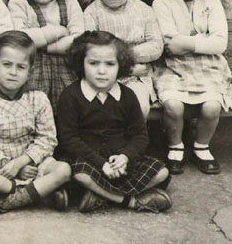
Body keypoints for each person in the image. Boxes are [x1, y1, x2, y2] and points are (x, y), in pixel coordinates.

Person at [57, 31, 172, 213]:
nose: (102, 71)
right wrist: (101, 163)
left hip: (120, 161)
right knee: (79, 174)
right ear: (81, 63)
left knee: (162, 172)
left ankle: (99, 195)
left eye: (110, 64)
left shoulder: (127, 96)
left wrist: (125, 157)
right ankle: (130, 201)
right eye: (93, 63)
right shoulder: (71, 96)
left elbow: (140, 135)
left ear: (121, 66)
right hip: (89, 160)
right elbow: (69, 140)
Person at [0, 31, 71, 214]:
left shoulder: (38, 98)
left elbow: (47, 139)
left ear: (30, 70)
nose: (13, 73)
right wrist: (9, 165)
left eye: (21, 67)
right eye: (6, 65)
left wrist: (22, 162)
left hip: (30, 161)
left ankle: (6, 201)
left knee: (64, 170)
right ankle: (36, 194)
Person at [152, 0, 232, 176]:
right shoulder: (162, 3)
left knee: (211, 107)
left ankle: (201, 146)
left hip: (210, 66)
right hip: (172, 66)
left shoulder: (212, 3)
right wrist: (201, 40)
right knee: (173, 105)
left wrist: (187, 43)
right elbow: (169, 43)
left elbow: (219, 44)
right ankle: (175, 145)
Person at [83, 0, 163, 119]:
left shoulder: (143, 10)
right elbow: (90, 49)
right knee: (101, 108)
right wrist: (124, 65)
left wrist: (125, 57)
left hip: (136, 77)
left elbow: (156, 45)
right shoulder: (91, 14)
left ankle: (134, 143)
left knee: (138, 106)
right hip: (102, 75)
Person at [8, 0, 83, 113]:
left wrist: (42, 44)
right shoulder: (19, 5)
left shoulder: (71, 4)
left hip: (67, 75)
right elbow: (20, 39)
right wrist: (58, 31)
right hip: (31, 76)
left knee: (69, 112)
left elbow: (78, 42)